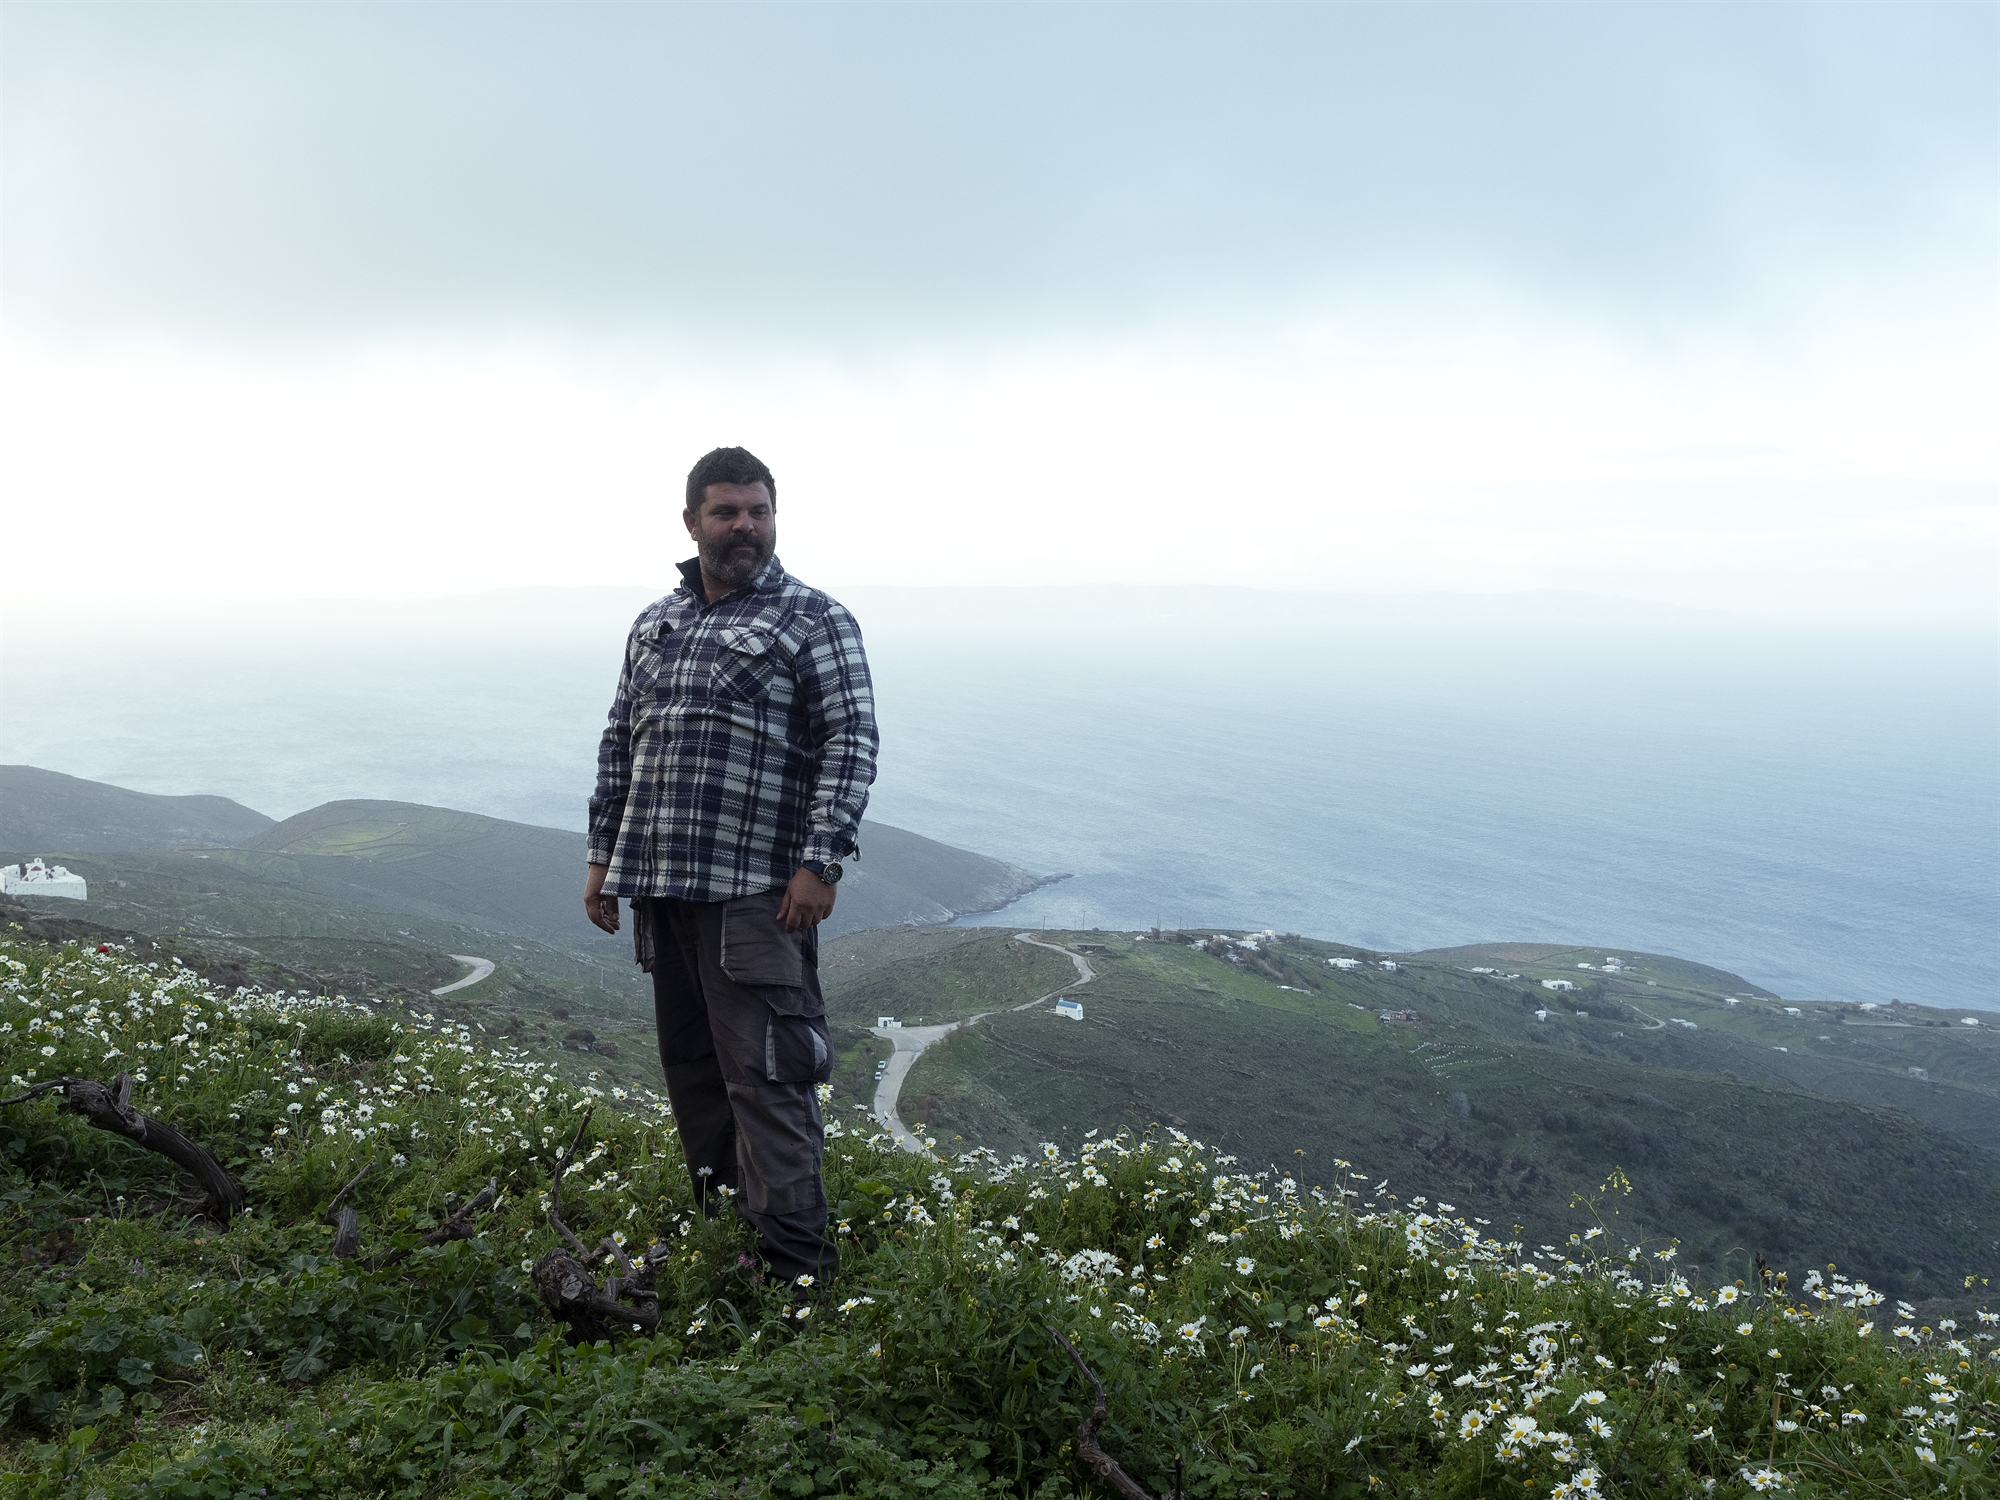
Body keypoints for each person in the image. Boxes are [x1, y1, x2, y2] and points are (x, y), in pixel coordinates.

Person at [583, 446, 878, 1289]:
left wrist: (822, 862)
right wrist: (603, 856)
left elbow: (850, 741)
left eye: (758, 511)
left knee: (769, 1077)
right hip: (663, 888)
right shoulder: (656, 622)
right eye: (726, 512)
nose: (745, 526)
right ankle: (728, 1244)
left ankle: (797, 1274)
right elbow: (620, 742)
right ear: (692, 522)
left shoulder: (812, 618)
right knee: (695, 1073)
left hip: (756, 894)